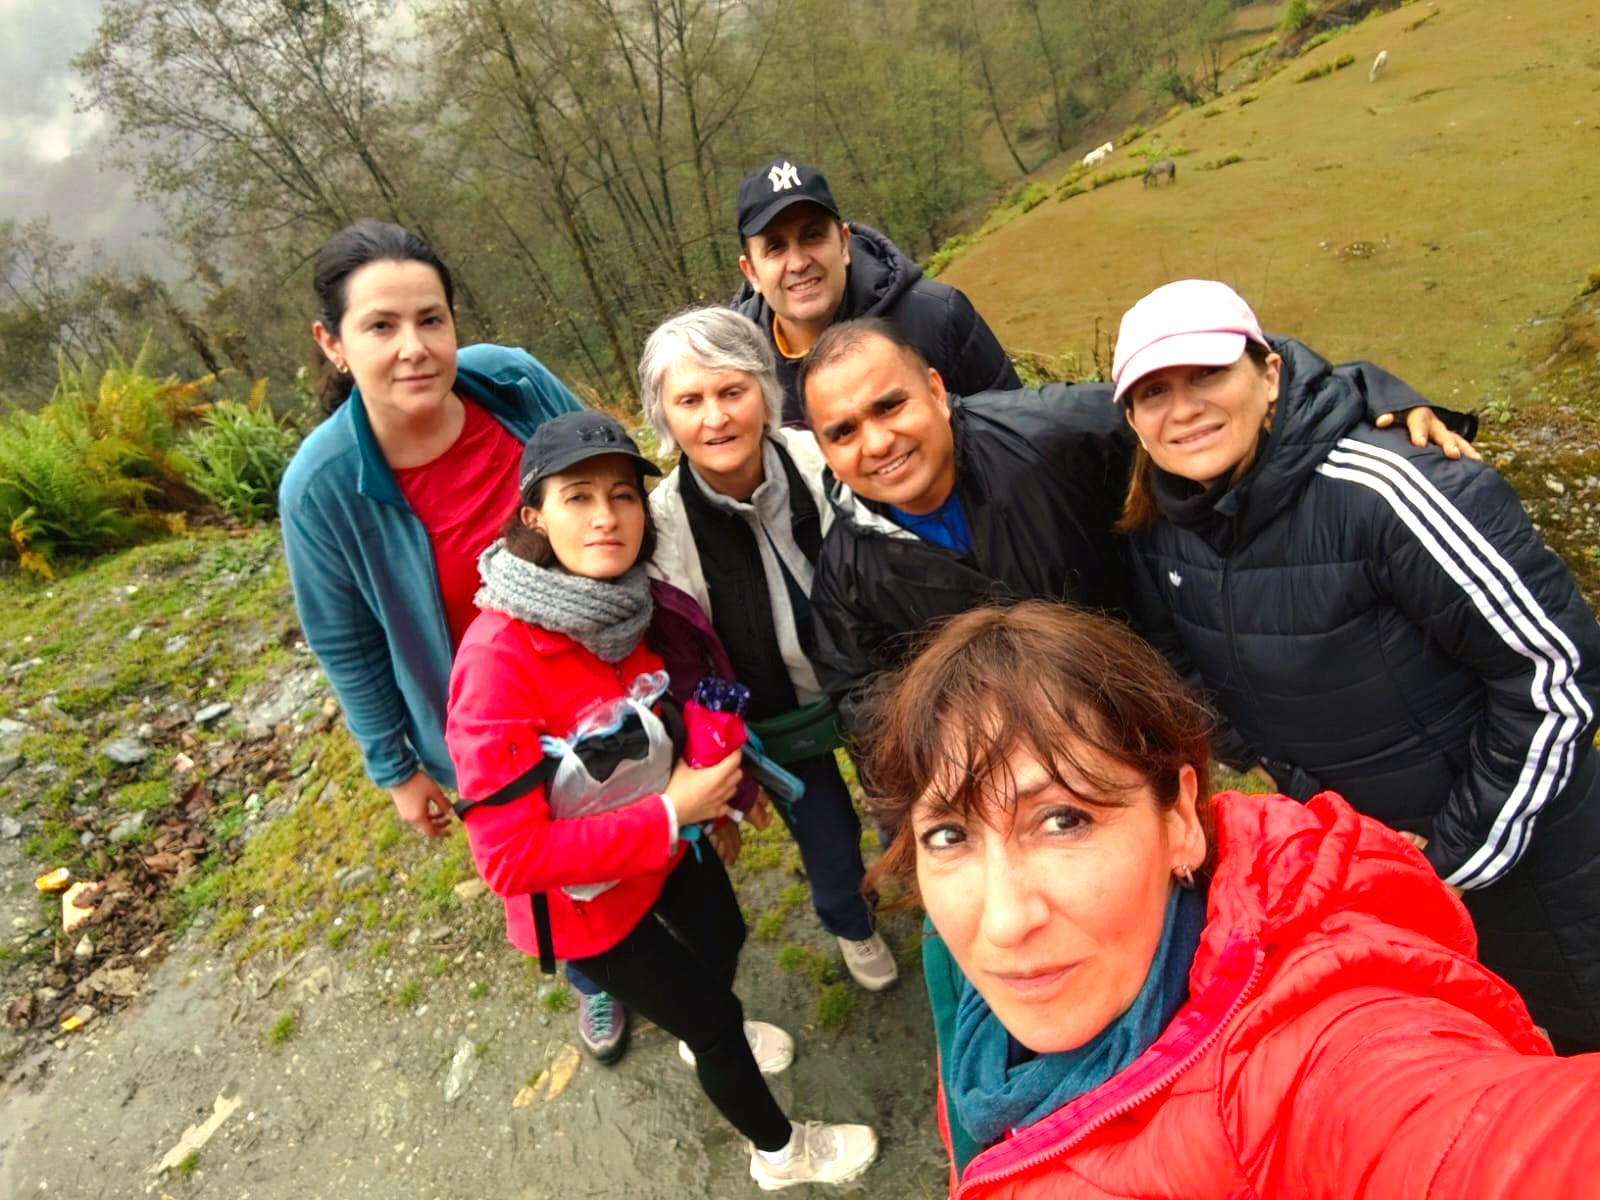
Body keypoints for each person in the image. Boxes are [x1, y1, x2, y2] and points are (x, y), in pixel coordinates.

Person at [863, 600, 1600, 1198]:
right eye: (950, 835)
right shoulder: (965, 977)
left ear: (1181, 820)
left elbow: (1474, 1142)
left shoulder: (1315, 1057)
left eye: (1064, 820)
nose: (1002, 923)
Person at [1114, 278, 1600, 1053]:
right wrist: (1291, 788)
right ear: (1131, 420)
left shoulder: (1389, 490)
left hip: (1534, 871)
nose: (1185, 408)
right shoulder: (1163, 524)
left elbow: (1555, 676)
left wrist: (1453, 858)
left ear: (1270, 374)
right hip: (1370, 874)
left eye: (1208, 374)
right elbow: (1184, 663)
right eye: (1153, 392)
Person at [444, 412, 879, 1190]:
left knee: (725, 932)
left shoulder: (627, 610)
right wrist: (673, 812)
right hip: (585, 905)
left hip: (669, 850)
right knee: (716, 1026)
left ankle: (700, 1018)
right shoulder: (496, 664)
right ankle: (781, 1154)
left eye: (623, 495)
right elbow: (507, 859)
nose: (606, 517)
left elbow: (660, 718)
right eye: (578, 497)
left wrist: (716, 797)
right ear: (533, 516)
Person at [277, 219, 625, 1065]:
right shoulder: (321, 489)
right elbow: (346, 642)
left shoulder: (513, 383)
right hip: (490, 728)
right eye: (381, 326)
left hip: (606, 669)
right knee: (557, 868)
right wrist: (396, 768)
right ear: (332, 344)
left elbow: (612, 479)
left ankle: (676, 932)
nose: (414, 347)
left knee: (639, 808)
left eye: (430, 319)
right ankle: (599, 976)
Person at [796, 317, 1478, 739]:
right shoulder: (848, 568)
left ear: (937, 391)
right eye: (844, 431)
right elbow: (856, 693)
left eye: (891, 406)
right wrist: (952, 731)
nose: (877, 442)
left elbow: (1226, 382)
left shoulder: (1050, 435)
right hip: (1016, 762)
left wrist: (1370, 394)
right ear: (821, 448)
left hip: (1145, 709)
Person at [639, 306, 896, 993]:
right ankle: (852, 922)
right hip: (775, 722)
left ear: (764, 390)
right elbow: (685, 664)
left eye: (732, 390)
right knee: (826, 840)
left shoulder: (820, 457)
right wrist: (725, 762)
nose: (716, 417)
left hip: (870, 685)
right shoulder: (662, 529)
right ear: (664, 417)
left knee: (903, 800)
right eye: (690, 400)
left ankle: (921, 882)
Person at [731, 156, 1019, 422]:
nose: (798, 263)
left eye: (813, 236)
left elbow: (1016, 436)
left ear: (844, 244)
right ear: (752, 272)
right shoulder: (736, 371)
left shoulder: (937, 319)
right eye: (776, 247)